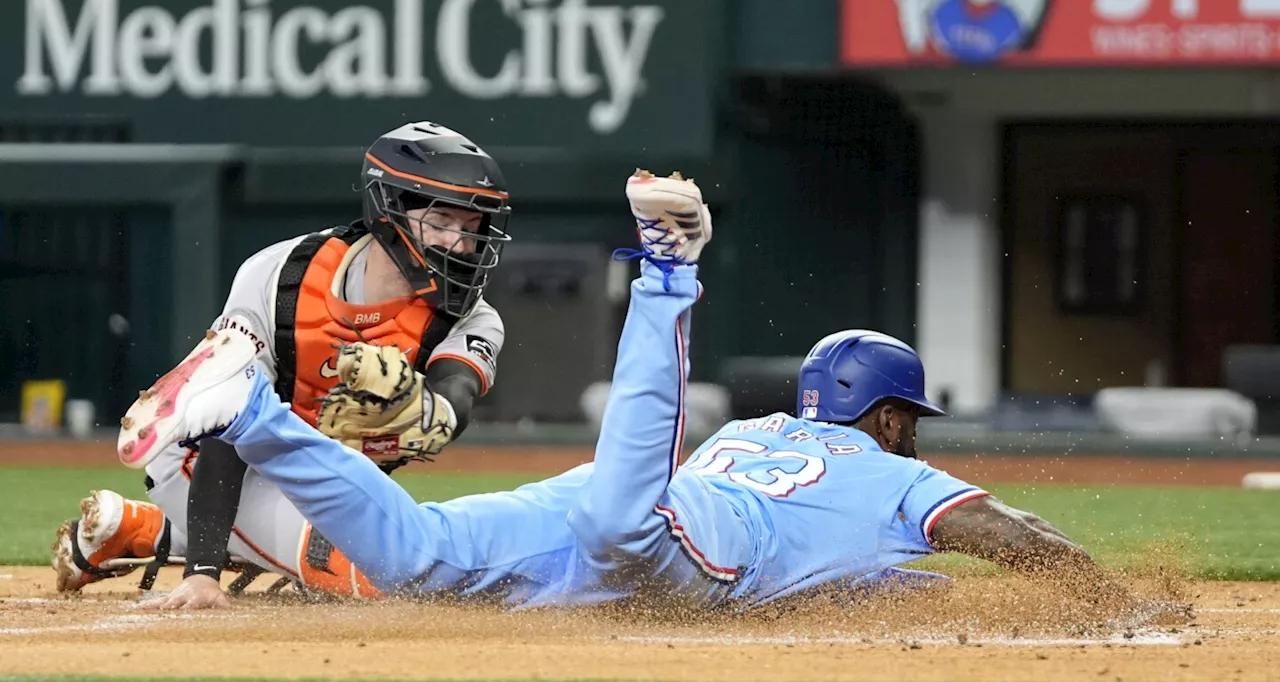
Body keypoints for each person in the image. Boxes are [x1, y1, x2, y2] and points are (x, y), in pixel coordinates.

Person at [114, 170, 1149, 614]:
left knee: (416, 558)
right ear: (885, 417)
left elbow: (832, 565)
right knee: (623, 513)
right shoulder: (888, 476)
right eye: (907, 421)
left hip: (601, 529)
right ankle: (667, 268)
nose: (910, 437)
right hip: (665, 537)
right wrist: (1115, 600)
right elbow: (1011, 535)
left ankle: (248, 408)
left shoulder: (757, 430)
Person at [53, 121, 512, 609]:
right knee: (386, 580)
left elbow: (456, 389)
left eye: (472, 228)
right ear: (389, 209)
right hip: (201, 459)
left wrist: (432, 414)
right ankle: (181, 533)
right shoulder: (281, 276)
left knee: (415, 556)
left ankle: (137, 531)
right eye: (442, 220)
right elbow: (227, 422)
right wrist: (203, 574)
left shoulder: (473, 317)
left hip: (317, 479)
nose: (461, 244)